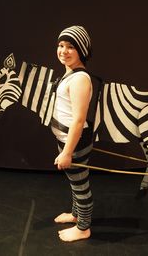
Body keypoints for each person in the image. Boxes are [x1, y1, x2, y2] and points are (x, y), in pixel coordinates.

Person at [51, 25, 94, 242]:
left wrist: (68, 152)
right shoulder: (70, 74)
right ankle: (77, 216)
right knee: (74, 182)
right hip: (67, 140)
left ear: (82, 50)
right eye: (61, 45)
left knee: (80, 185)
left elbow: (78, 120)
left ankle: (84, 227)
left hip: (74, 142)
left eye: (70, 47)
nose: (63, 51)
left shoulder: (79, 79)